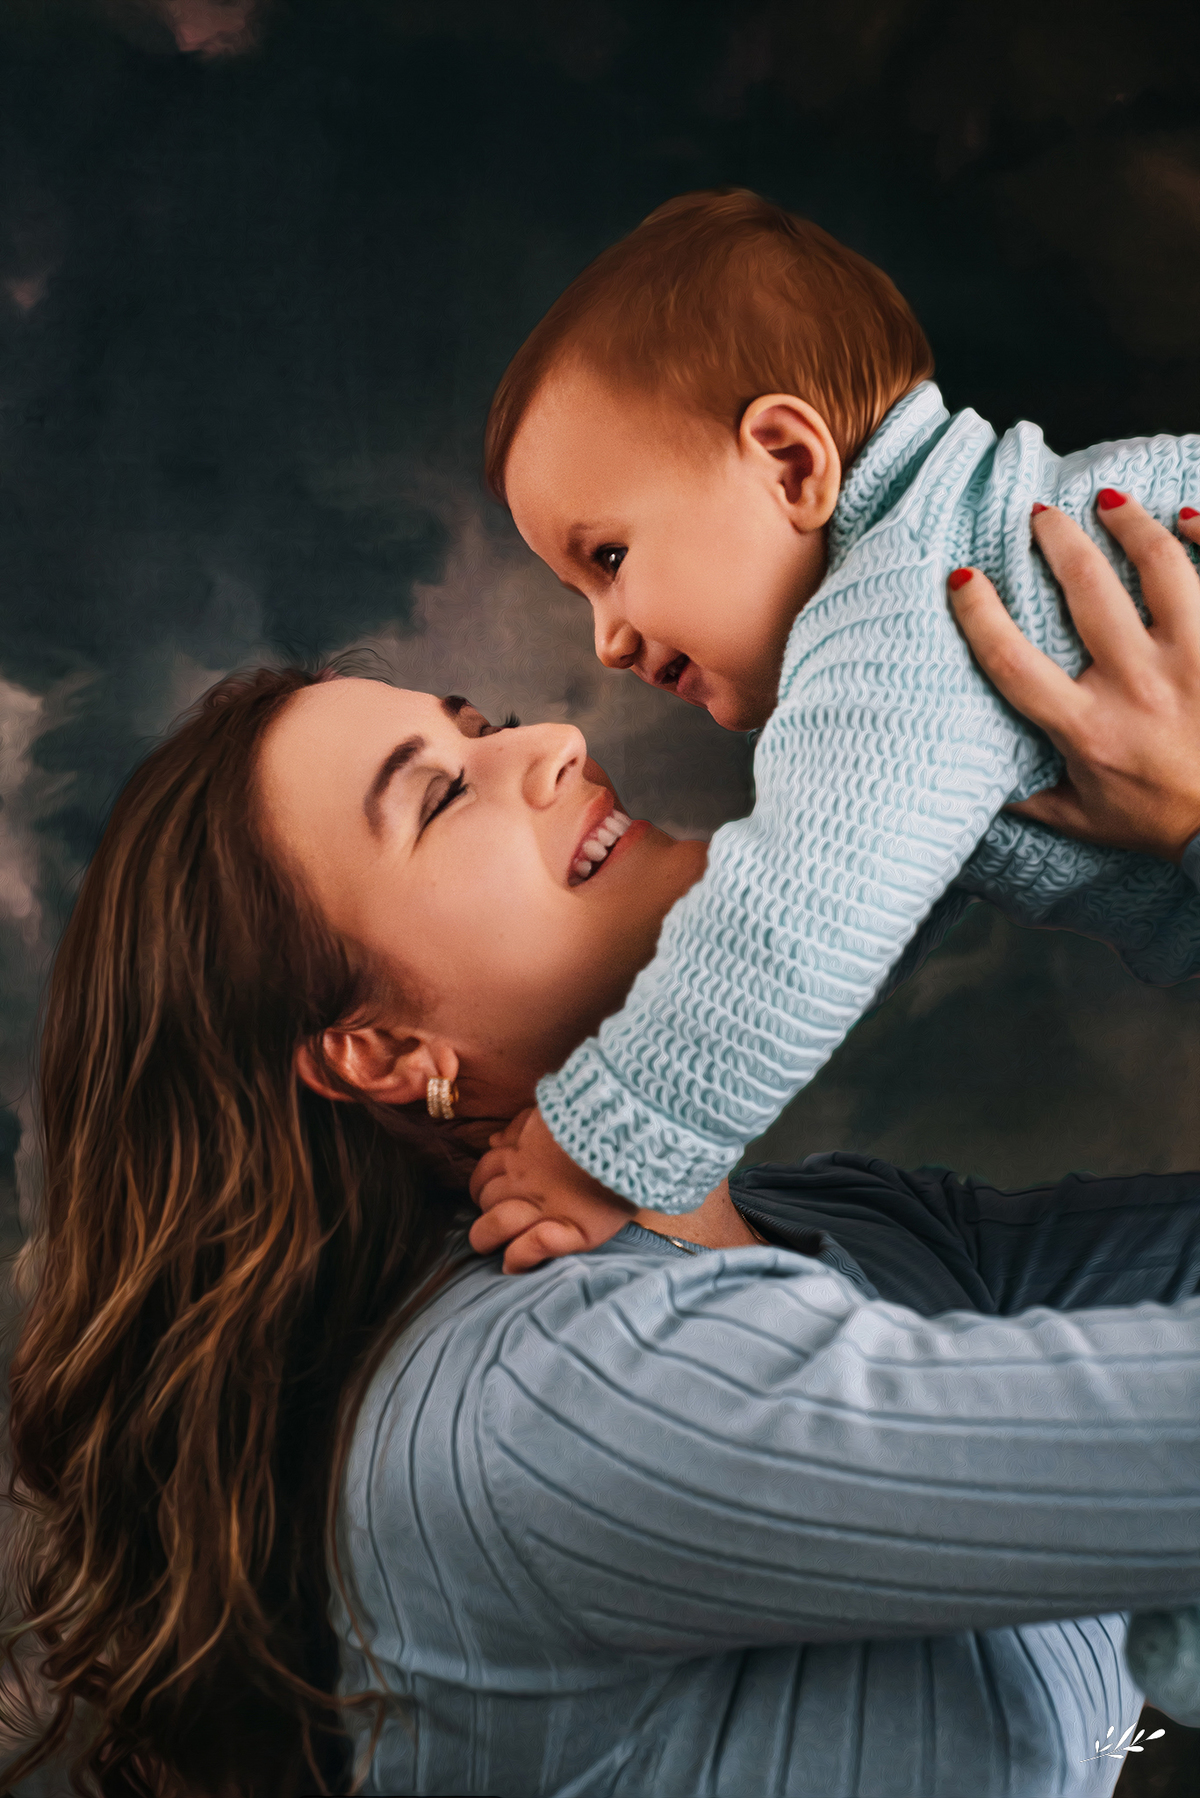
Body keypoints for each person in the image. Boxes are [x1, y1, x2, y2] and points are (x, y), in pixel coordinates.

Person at [2, 508, 1198, 1798]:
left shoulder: (859, 1232)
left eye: (478, 720)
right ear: (383, 1051)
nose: (553, 738)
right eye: (443, 790)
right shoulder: (539, 1402)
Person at [472, 188, 1200, 1257]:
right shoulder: (943, 565)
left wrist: (602, 1146)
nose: (607, 643)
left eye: (611, 559)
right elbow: (866, 925)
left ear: (791, 462)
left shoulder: (902, 603)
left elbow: (795, 922)